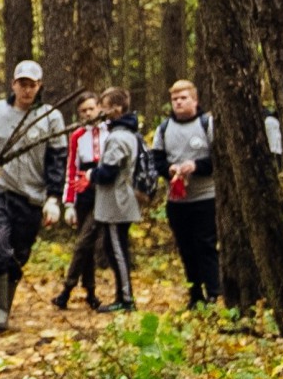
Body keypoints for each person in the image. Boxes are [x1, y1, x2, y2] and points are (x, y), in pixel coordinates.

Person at [0, 59, 68, 332]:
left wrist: (53, 197)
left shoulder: (51, 117)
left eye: (32, 85)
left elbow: (57, 160)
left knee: (19, 253)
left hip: (32, 196)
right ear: (13, 84)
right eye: (22, 84)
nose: (26, 90)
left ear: (39, 87)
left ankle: (6, 305)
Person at [151, 79, 220, 307]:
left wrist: (196, 166)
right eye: (175, 99)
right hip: (177, 200)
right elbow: (157, 161)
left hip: (205, 196)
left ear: (195, 100)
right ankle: (195, 294)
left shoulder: (206, 124)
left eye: (183, 98)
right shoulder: (164, 129)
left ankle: (214, 293)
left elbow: (218, 160)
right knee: (186, 248)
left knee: (206, 245)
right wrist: (169, 169)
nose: (179, 103)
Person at [89, 86, 141, 313]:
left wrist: (91, 174)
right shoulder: (126, 134)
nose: (101, 111)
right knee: (113, 249)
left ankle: (126, 299)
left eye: (105, 106)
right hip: (116, 202)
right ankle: (122, 295)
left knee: (118, 251)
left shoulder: (119, 138)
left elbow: (107, 173)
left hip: (117, 204)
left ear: (117, 109)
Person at [54, 90, 107, 310]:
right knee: (86, 245)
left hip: (103, 191)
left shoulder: (110, 131)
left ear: (99, 108)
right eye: (83, 111)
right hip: (83, 194)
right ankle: (91, 293)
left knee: (84, 243)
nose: (88, 113)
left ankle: (67, 289)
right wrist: (69, 203)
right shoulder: (76, 136)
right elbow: (71, 168)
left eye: (91, 109)